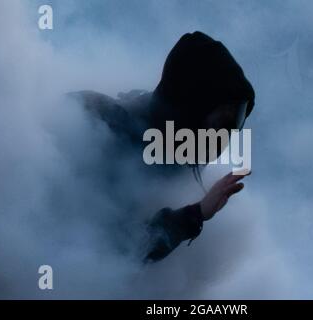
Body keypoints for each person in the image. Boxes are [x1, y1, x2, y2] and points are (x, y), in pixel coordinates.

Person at [70, 31, 255, 262]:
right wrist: (195, 215)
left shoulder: (170, 158)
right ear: (190, 107)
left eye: (234, 125)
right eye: (220, 123)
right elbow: (104, 253)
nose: (222, 137)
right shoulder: (99, 126)